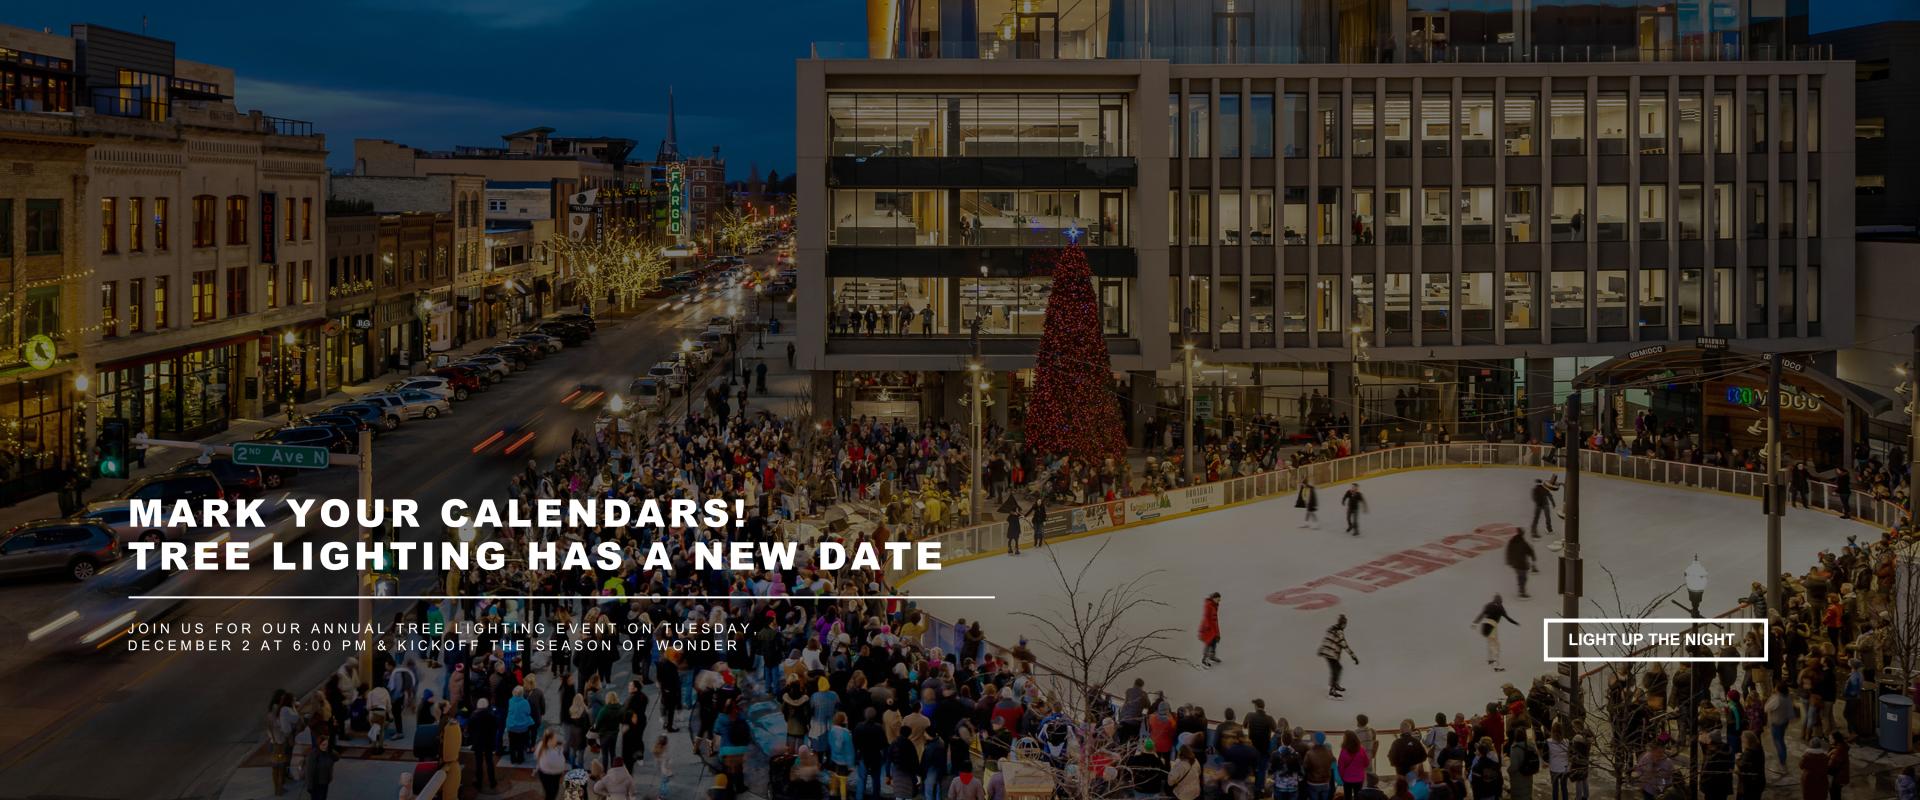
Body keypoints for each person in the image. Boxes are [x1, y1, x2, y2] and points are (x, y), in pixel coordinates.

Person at [1473, 595, 1520, 672]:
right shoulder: (1500, 608)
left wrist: (1475, 622)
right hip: (1492, 625)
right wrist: (1515, 623)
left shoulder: (1488, 605)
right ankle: (1496, 666)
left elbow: (1481, 614)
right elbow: (1508, 618)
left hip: (1485, 625)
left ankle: (1490, 659)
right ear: (1500, 601)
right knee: (1496, 646)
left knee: (1490, 642)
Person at [1320, 615, 1359, 699]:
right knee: (1336, 670)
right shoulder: (1339, 631)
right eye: (1345, 624)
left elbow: (1326, 639)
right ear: (1343, 624)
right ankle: (1332, 690)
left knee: (1337, 669)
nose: (1345, 626)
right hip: (1331, 654)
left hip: (1327, 653)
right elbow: (1344, 645)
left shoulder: (1332, 629)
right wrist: (1353, 656)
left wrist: (1322, 649)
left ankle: (1335, 685)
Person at [469, 698, 500, 791]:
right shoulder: (491, 716)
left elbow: (470, 730)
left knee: (478, 763)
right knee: (489, 762)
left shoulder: (473, 716)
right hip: (489, 743)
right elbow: (495, 728)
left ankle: (479, 783)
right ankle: (492, 782)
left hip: (478, 743)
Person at [535, 728, 569, 800]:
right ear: (550, 740)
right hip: (553, 775)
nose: (556, 739)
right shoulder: (554, 752)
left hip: (543, 773)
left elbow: (536, 756)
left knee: (549, 792)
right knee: (552, 793)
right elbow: (561, 762)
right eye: (554, 738)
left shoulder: (541, 745)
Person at [1506, 530, 1537, 599]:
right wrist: (1533, 557)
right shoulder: (1523, 543)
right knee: (1523, 577)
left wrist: (1509, 561)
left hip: (1516, 563)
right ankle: (1522, 591)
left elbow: (1509, 551)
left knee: (1521, 576)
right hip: (1521, 563)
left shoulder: (1512, 542)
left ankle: (1521, 589)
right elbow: (1530, 550)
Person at [1199, 592, 1223, 667]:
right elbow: (1206, 617)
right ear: (1214, 598)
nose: (1219, 601)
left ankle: (1212, 656)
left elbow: (1214, 619)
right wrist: (1208, 627)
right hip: (1208, 629)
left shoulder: (1214, 605)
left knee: (1214, 642)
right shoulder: (1209, 605)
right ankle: (1204, 659)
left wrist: (1217, 632)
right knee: (1208, 643)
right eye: (1218, 599)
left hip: (1213, 627)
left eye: (1219, 600)